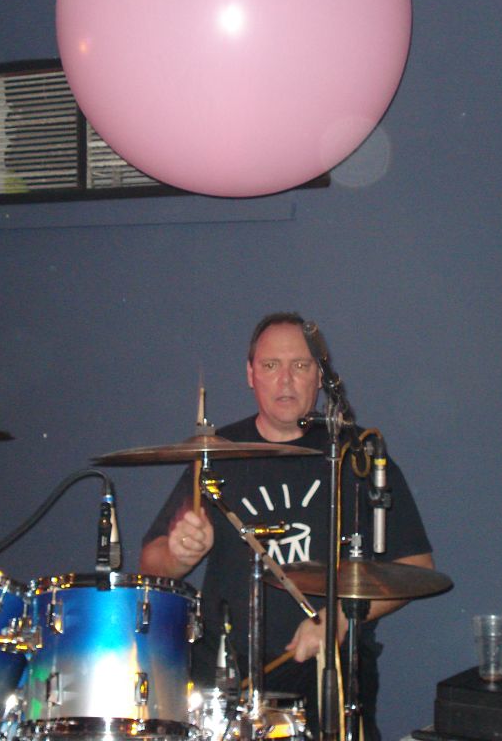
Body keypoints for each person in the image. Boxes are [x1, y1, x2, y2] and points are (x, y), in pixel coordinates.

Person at [140, 312, 434, 741]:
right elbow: (151, 565)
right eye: (270, 365)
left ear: (320, 376)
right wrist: (177, 554)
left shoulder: (357, 457)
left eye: (300, 365)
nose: (285, 380)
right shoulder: (216, 453)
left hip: (329, 673)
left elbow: (417, 567)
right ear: (250, 375)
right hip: (225, 674)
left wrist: (341, 617)